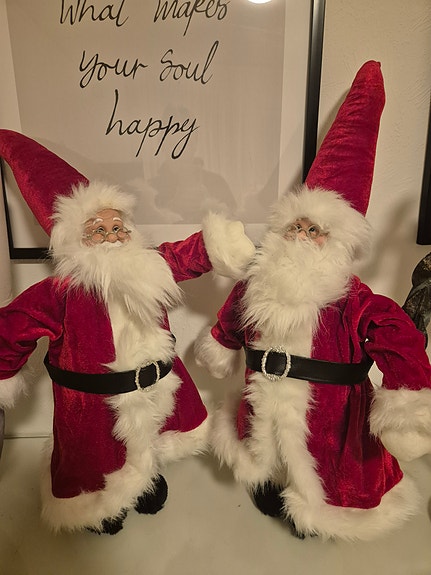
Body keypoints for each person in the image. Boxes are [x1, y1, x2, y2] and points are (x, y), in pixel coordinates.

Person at [195, 61, 431, 541]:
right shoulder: (259, 280)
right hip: (261, 396)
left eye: (315, 230)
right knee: (262, 443)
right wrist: (221, 341)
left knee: (321, 465)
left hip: (331, 413)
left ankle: (311, 507)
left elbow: (396, 335)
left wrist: (406, 399)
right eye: (296, 226)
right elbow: (234, 314)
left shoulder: (355, 299)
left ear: (338, 242)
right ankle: (267, 480)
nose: (302, 236)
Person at [0, 129, 255, 535]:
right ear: (76, 239)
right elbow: (13, 325)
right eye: (98, 230)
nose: (112, 236)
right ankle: (99, 505)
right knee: (95, 457)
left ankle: (146, 481)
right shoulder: (59, 293)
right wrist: (5, 369)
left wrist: (217, 245)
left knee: (151, 435)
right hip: (91, 404)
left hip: (154, 388)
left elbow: (186, 256)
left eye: (117, 227)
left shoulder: (149, 266)